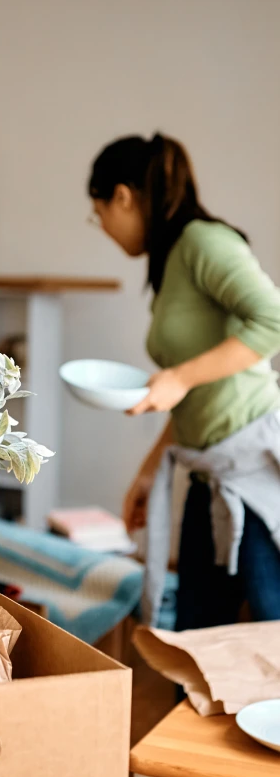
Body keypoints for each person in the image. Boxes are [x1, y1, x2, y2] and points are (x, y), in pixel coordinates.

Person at [88, 133, 280, 631]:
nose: (103, 226)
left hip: (255, 472)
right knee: (195, 639)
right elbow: (193, 392)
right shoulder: (171, 261)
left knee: (269, 632)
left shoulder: (203, 242)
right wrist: (151, 469)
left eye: (99, 212)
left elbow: (273, 320)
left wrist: (178, 375)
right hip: (203, 470)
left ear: (124, 197)